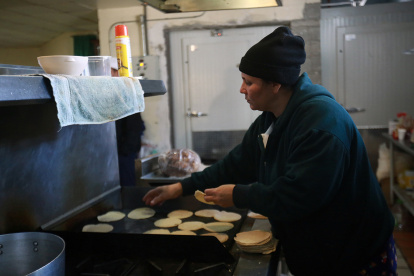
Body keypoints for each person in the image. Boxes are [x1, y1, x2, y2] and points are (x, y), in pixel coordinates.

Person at [143, 26, 396, 275]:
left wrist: (240, 195)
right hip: (319, 249)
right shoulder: (272, 117)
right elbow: (237, 163)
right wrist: (182, 187)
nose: (242, 90)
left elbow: (301, 195)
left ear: (275, 84)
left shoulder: (321, 123)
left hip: (354, 253)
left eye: (248, 82)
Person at [112, 60, 145, 186]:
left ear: (117, 72)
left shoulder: (127, 93)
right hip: (115, 151)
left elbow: (135, 127)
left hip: (124, 153)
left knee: (126, 186)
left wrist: (125, 150)